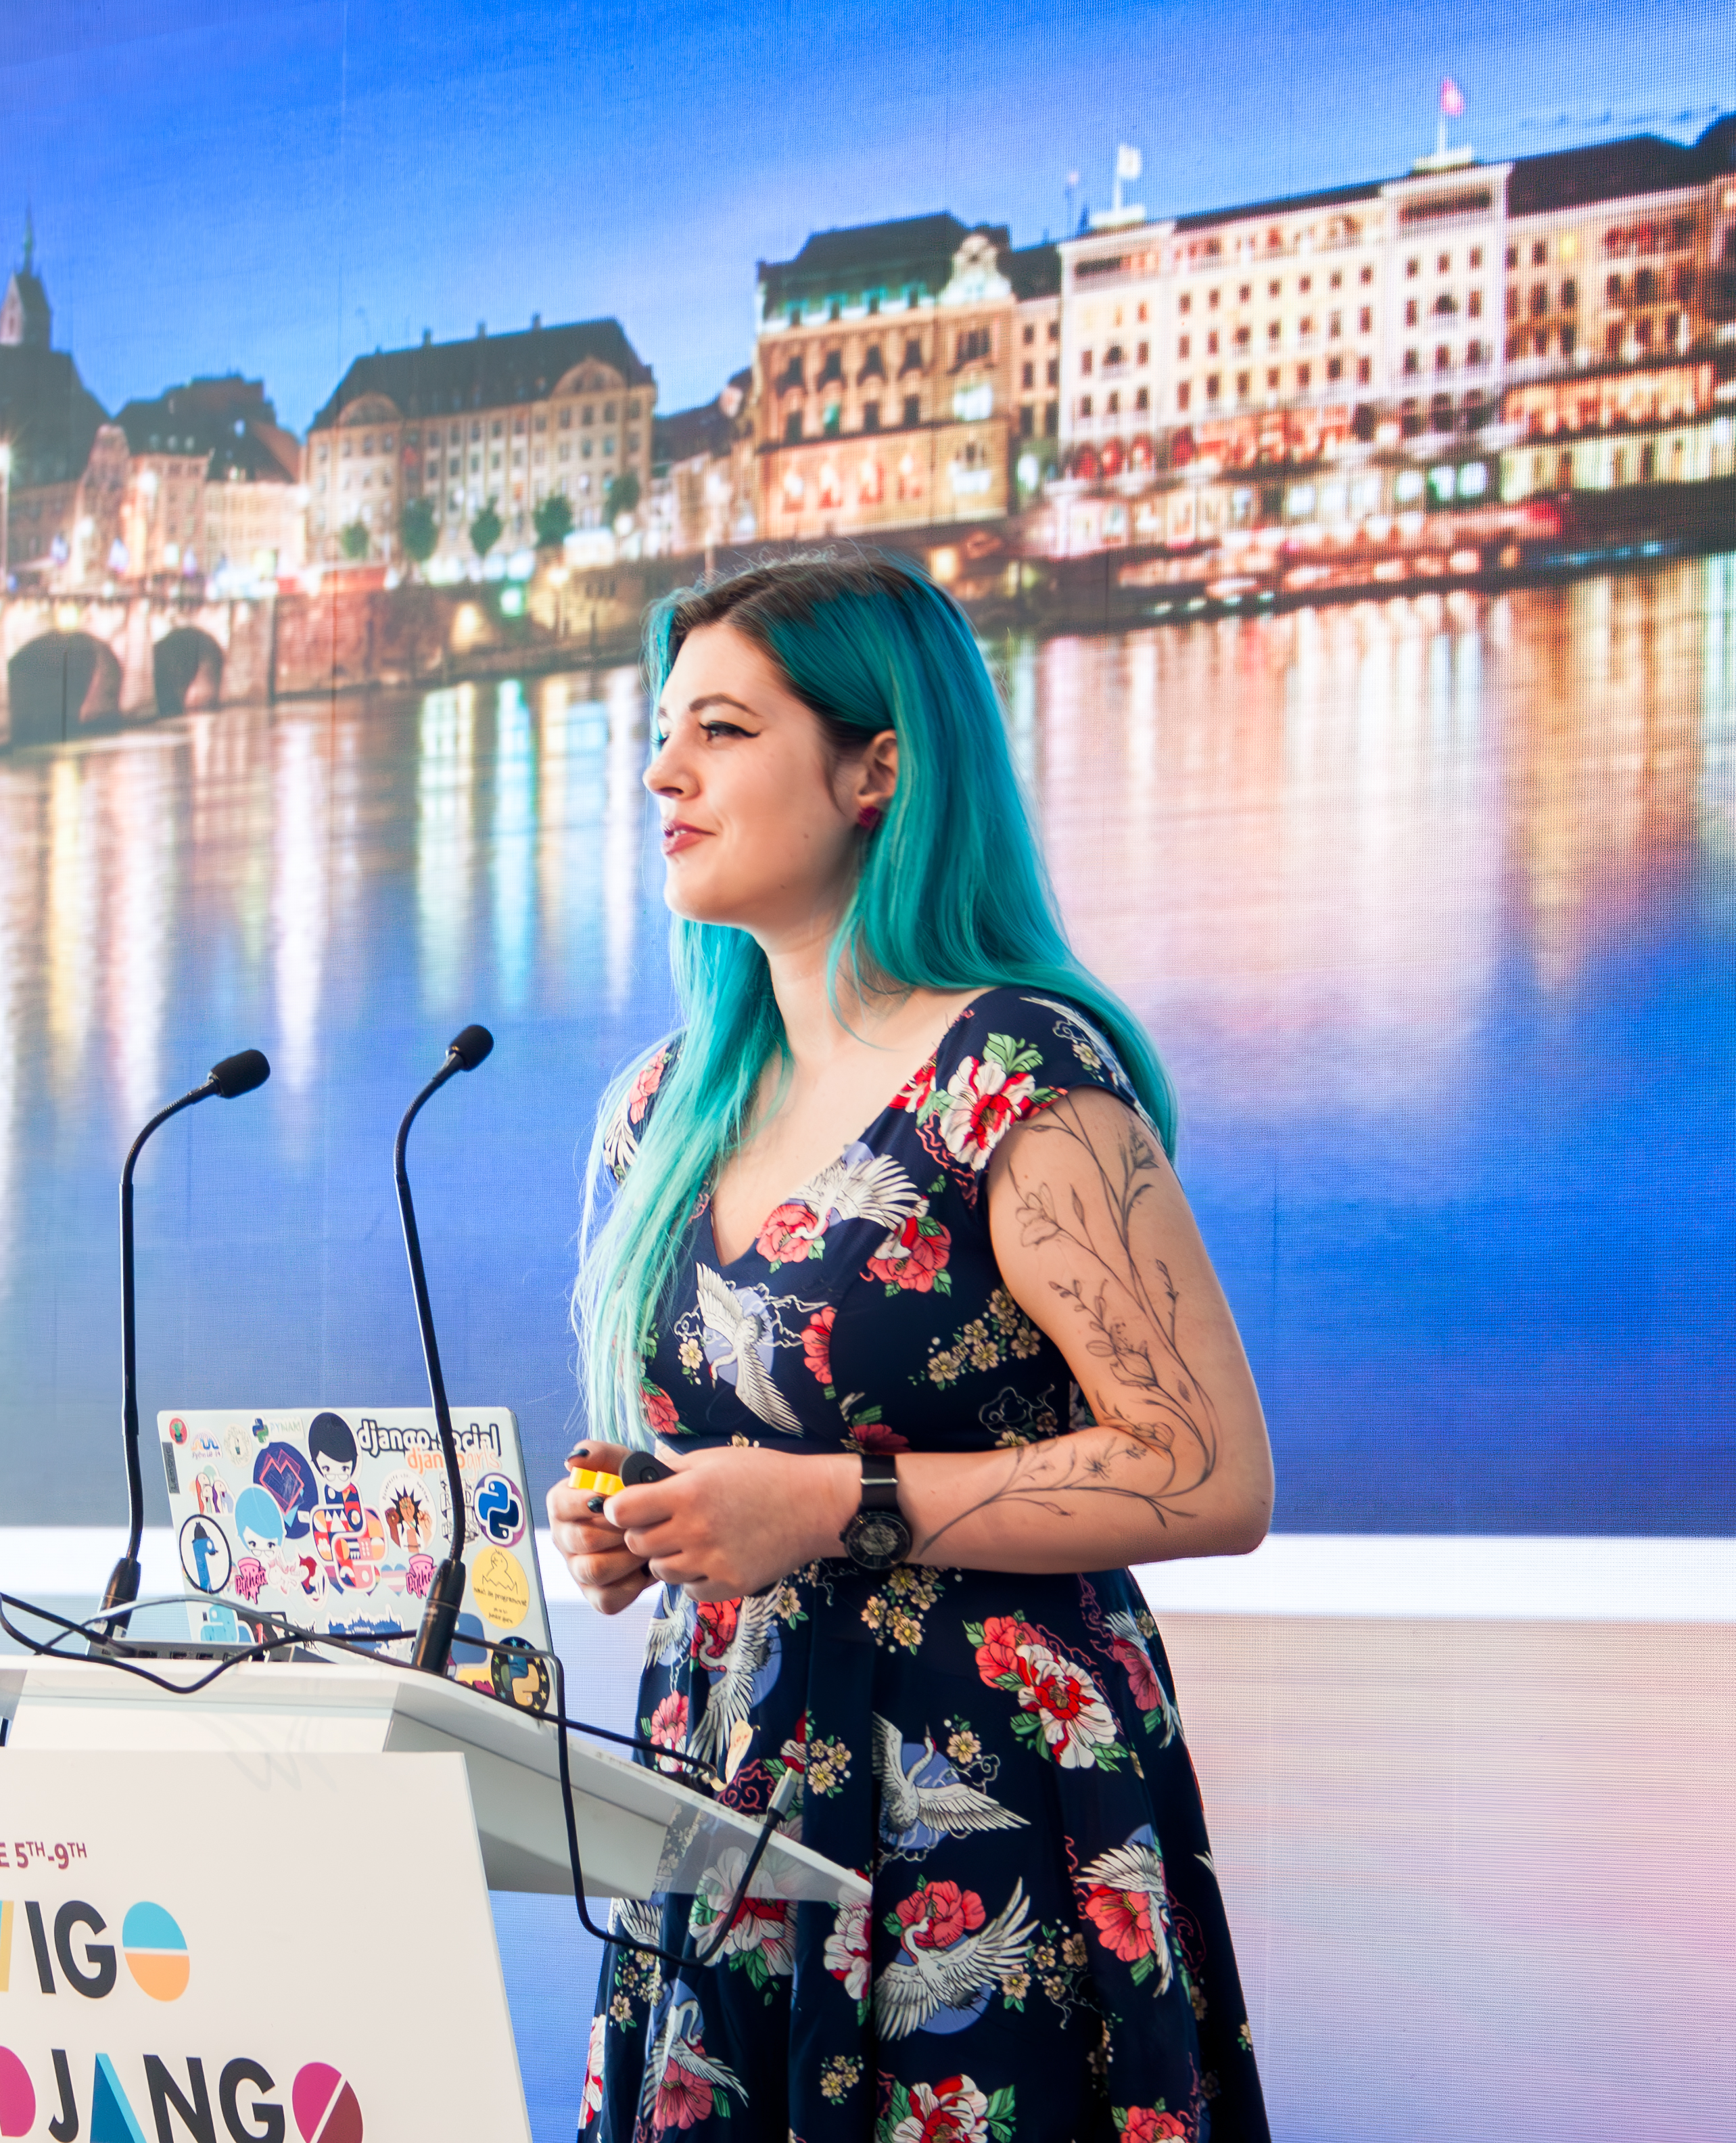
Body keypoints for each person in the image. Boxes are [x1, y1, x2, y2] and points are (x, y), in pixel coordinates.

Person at [549, 552, 1273, 2143]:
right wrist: (644, 1520)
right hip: (724, 1809)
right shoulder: (654, 1114)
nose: (663, 773)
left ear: (879, 768)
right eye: (662, 731)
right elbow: (722, 1445)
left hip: (994, 1823)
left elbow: (1206, 1471)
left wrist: (827, 1506)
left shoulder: (1016, 1072)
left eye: (724, 731)